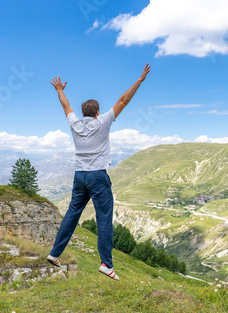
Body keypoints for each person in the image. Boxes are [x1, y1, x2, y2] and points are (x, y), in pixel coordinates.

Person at [46, 63, 151, 280]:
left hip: (80, 176)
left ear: (83, 112)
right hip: (97, 177)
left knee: (72, 216)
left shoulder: (74, 124)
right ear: (97, 113)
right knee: (104, 219)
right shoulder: (103, 122)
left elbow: (66, 107)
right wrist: (139, 81)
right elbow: (123, 101)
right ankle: (106, 264)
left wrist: (59, 90)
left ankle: (55, 253)